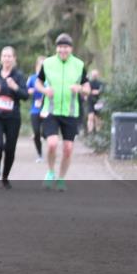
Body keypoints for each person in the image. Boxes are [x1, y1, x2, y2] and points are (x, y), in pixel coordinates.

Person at [38, 33, 90, 191]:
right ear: (56, 48)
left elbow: (87, 89)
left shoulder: (79, 65)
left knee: (68, 148)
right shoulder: (47, 63)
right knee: (52, 144)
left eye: (66, 47)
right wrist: (45, 90)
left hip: (71, 113)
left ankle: (61, 179)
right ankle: (50, 172)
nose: (63, 50)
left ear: (71, 49)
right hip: (51, 111)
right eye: (60, 47)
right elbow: (38, 82)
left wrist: (80, 88)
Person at [0, 46, 30, 189]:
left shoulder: (18, 75)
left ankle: (5, 176)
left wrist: (15, 87)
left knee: (10, 149)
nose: (7, 58)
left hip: (13, 118)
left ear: (14, 59)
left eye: (9, 56)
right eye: (4, 56)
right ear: (1, 58)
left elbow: (25, 95)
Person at [26, 56, 46, 162]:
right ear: (37, 66)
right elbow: (25, 89)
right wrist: (30, 91)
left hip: (47, 109)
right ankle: (39, 154)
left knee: (46, 132)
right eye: (41, 65)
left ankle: (45, 135)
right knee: (36, 132)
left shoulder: (50, 78)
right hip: (35, 109)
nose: (42, 67)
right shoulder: (32, 78)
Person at [87, 69, 105, 134]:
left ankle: (98, 133)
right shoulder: (88, 83)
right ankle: (90, 132)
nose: (94, 76)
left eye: (95, 75)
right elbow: (86, 91)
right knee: (90, 117)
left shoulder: (101, 83)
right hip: (90, 102)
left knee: (98, 118)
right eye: (93, 75)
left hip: (98, 102)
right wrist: (91, 92)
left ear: (98, 75)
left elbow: (103, 91)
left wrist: (98, 92)